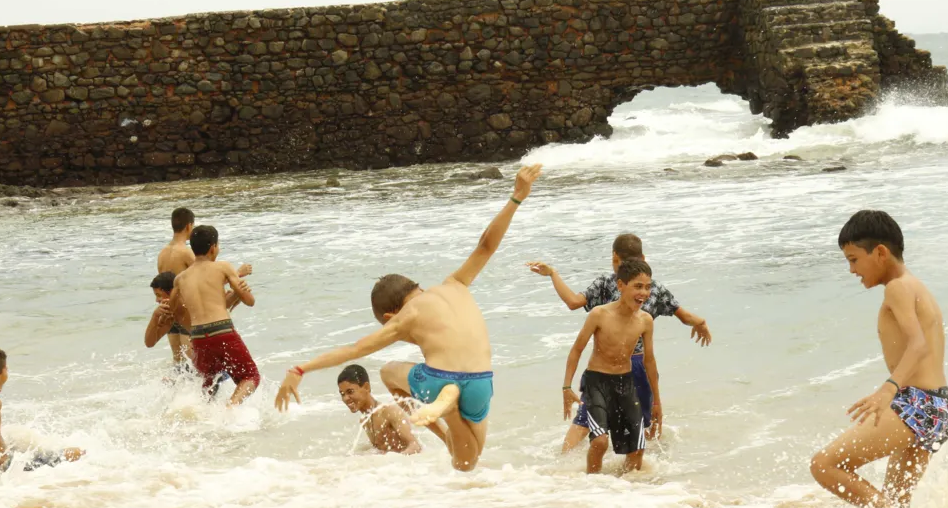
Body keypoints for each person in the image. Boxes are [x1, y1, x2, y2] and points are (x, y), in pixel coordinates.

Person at [275, 164, 545, 471]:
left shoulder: (405, 317)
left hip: (439, 378)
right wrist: (517, 197)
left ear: (391, 315)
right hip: (482, 380)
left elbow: (354, 350)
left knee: (389, 372)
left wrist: (300, 368)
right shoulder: (456, 283)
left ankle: (448, 409)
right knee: (467, 462)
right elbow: (486, 244)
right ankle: (449, 412)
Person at [810, 211, 948, 508]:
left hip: (918, 404)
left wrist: (887, 390)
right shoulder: (915, 286)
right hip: (938, 408)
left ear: (880, 252)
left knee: (825, 465)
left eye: (853, 259)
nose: (851, 270)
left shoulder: (898, 288)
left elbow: (918, 346)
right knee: (895, 504)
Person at [527, 233, 710, 452]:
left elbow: (573, 302)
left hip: (605, 365)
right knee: (643, 425)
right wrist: (700, 322)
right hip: (639, 366)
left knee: (585, 421)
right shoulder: (654, 289)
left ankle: (562, 463)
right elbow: (684, 316)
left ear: (615, 256)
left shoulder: (607, 283)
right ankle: (649, 472)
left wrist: (553, 274)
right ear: (643, 257)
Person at [563, 260, 661, 474]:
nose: (644, 292)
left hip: (625, 383)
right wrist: (566, 387)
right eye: (638, 286)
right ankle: (592, 485)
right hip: (597, 382)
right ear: (620, 285)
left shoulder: (645, 320)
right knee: (599, 441)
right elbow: (577, 349)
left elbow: (649, 361)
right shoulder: (599, 314)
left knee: (637, 450)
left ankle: (624, 493)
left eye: (647, 287)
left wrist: (657, 402)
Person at [170, 225, 260, 406]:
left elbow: (174, 311)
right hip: (223, 332)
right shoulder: (223, 267)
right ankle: (230, 407)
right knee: (250, 376)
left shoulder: (180, 278)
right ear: (213, 247)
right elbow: (250, 301)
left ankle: (207, 419)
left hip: (198, 337)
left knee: (208, 385)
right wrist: (242, 292)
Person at [337, 365, 422, 454]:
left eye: (350, 392)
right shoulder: (364, 420)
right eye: (342, 394)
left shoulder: (389, 411)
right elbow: (379, 449)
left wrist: (395, 461)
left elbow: (415, 445)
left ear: (366, 387)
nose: (346, 398)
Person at [157, 207, 197, 364]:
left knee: (178, 363)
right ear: (189, 226)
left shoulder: (162, 253)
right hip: (185, 311)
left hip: (168, 311)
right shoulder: (186, 252)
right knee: (194, 365)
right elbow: (204, 274)